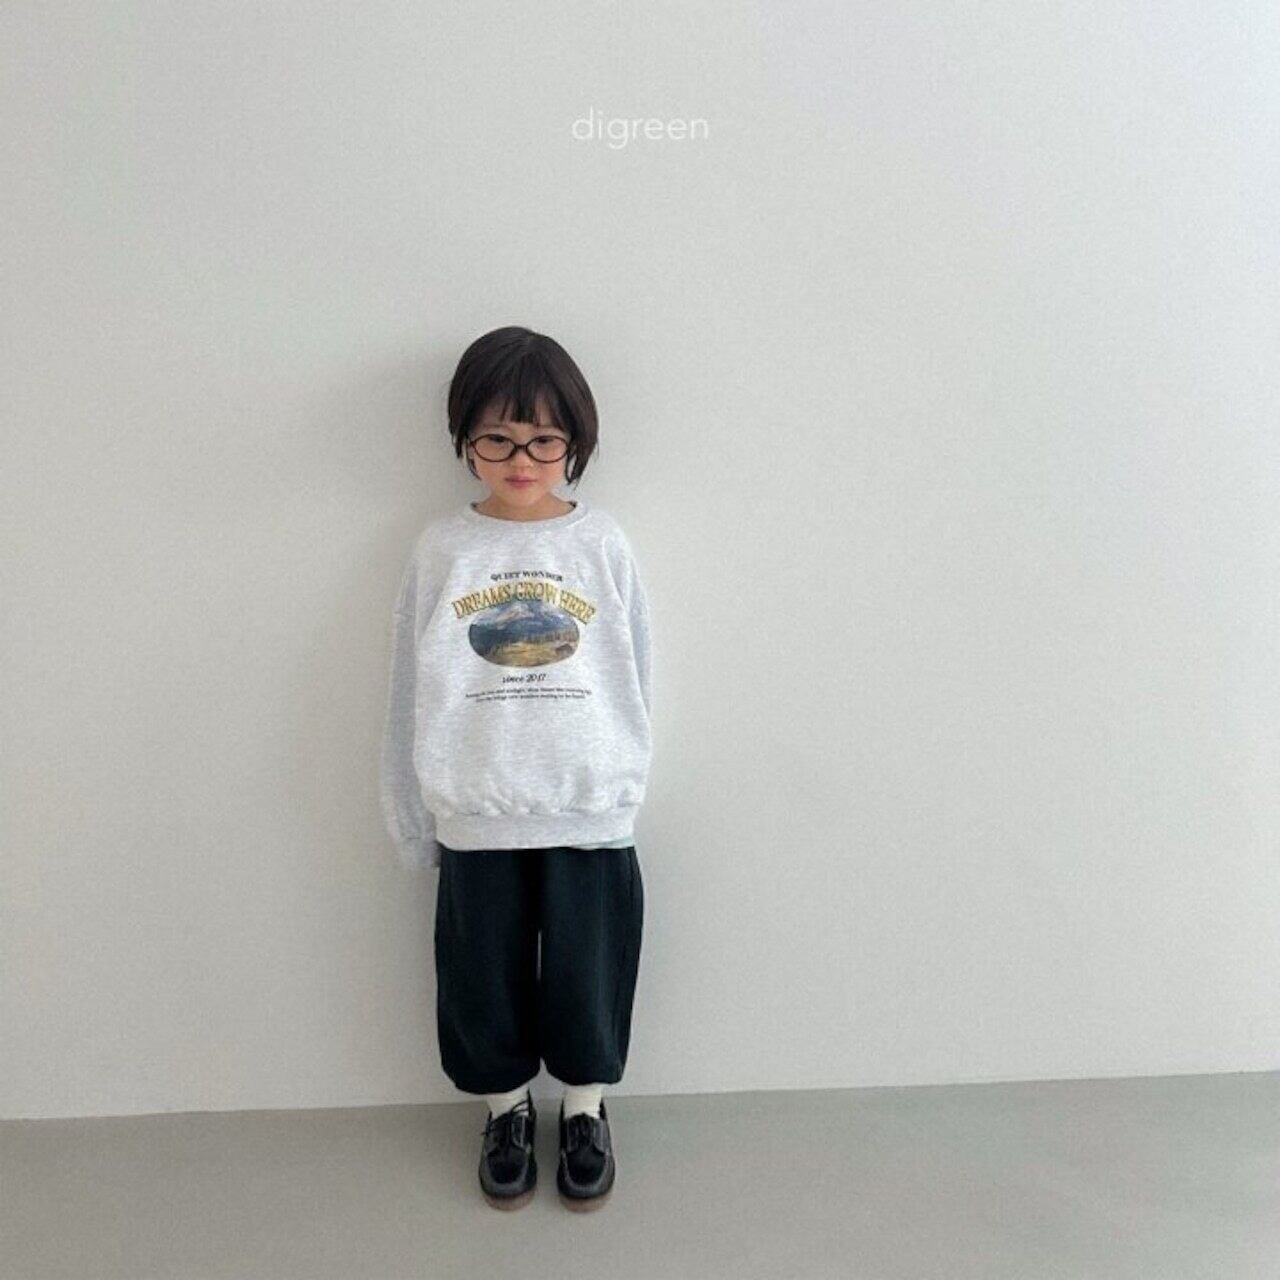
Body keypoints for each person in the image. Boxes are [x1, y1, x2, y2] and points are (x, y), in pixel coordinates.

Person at [378, 326, 652, 1211]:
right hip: (476, 808)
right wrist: (413, 819)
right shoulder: (442, 549)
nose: (521, 460)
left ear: (575, 440)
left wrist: (622, 782)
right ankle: (504, 1112)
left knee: (589, 974)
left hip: (587, 808)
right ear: (465, 440)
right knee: (480, 979)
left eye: (543, 440)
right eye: (497, 439)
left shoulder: (602, 543)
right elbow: (407, 687)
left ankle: (585, 1110)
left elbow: (637, 673)